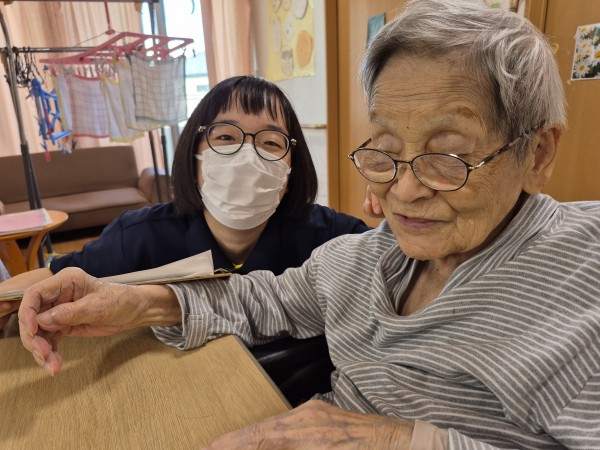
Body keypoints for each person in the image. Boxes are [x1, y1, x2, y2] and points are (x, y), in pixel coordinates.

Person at [18, 0, 600, 448]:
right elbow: (261, 299)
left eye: (448, 154)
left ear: (538, 154)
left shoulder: (582, 272)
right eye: (385, 150)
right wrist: (137, 303)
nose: (403, 190)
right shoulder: (359, 258)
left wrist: (398, 438)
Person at [2, 75, 369, 404]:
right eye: (226, 137)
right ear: (194, 160)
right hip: (169, 400)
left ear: (291, 170)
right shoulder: (141, 235)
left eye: (271, 142)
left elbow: (389, 261)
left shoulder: (330, 237)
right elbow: (53, 278)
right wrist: (19, 301)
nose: (247, 155)